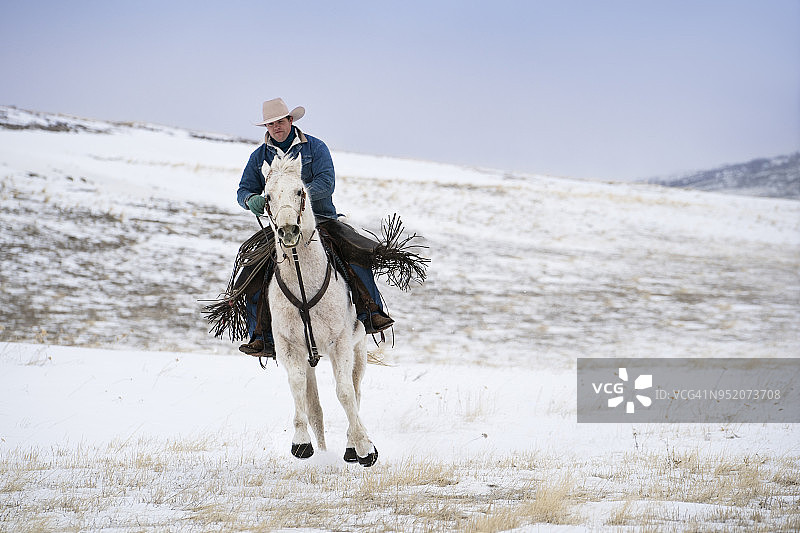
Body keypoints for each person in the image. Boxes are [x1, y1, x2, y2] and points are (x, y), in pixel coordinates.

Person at [236, 98, 393, 358]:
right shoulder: (259, 157)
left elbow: (327, 182)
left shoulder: (316, 148)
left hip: (322, 219)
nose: (276, 127)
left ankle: (370, 312)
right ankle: (261, 334)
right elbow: (244, 189)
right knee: (251, 272)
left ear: (290, 121)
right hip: (282, 224)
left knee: (359, 252)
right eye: (271, 124)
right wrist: (249, 200)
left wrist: (301, 196)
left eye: (280, 121)